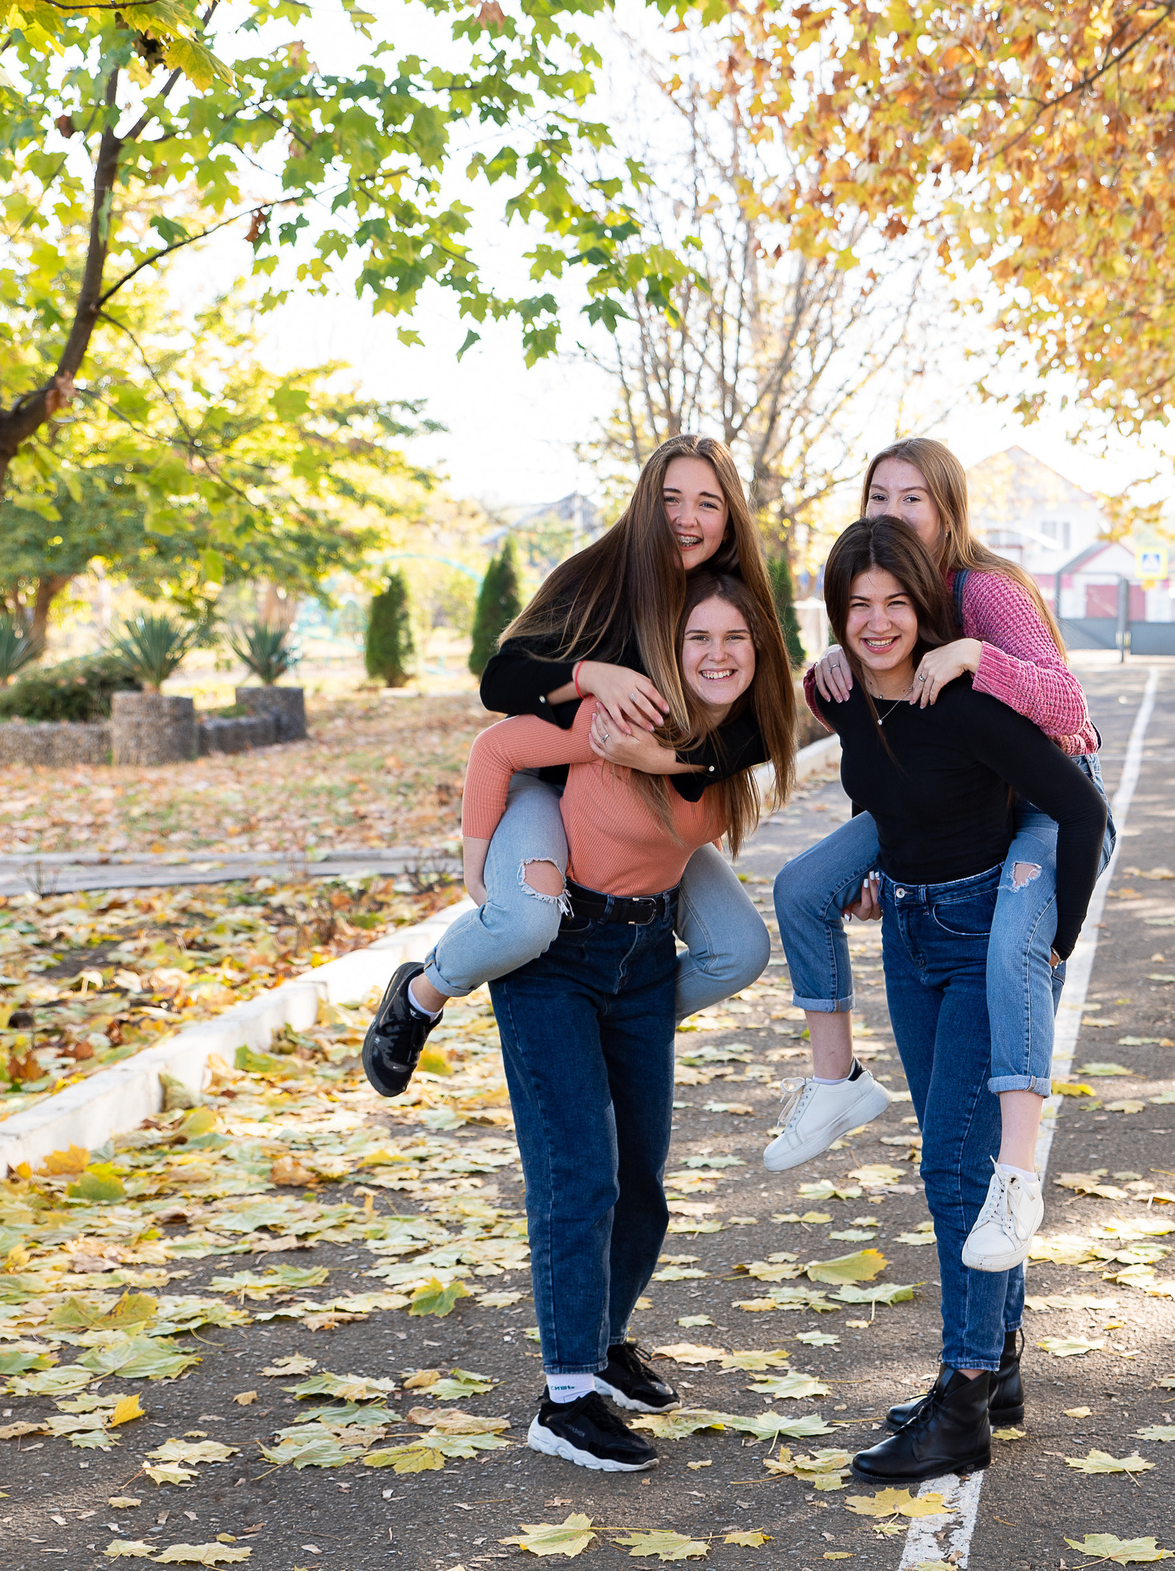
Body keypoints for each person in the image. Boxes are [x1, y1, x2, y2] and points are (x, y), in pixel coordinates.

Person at [442, 571, 799, 1472]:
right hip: (554, 959)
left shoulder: (732, 752)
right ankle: (564, 1398)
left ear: (757, 655)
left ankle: (603, 1346)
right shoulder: (609, 724)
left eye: (735, 641)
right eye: (697, 639)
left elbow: (846, 716)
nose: (717, 655)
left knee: (641, 1180)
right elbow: (494, 744)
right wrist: (482, 874)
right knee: (581, 1176)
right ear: (668, 655)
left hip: (642, 965)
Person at [799, 517, 1108, 1484]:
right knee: (953, 1156)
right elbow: (877, 794)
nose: (879, 622)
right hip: (907, 935)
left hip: (981, 937)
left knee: (953, 1170)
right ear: (839, 618)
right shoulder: (852, 702)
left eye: (897, 603)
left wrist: (1053, 937)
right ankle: (1001, 1363)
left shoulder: (965, 701)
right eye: (860, 607)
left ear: (927, 609)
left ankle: (964, 1396)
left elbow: (1083, 806)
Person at [363, 436, 793, 1098]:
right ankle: (422, 992)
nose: (687, 517)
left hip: (645, 799)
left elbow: (761, 728)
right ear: (645, 504)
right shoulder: (595, 577)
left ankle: (630, 1020)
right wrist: (595, 672)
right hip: (555, 778)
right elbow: (500, 688)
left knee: (740, 945)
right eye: (670, 498)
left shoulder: (724, 603)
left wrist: (656, 756)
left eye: (707, 502)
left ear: (730, 517)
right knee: (528, 919)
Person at [768, 439, 1110, 1270]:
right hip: (952, 801)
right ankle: (835, 1079)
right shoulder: (882, 601)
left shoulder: (977, 590)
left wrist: (973, 655)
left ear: (948, 510)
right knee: (801, 886)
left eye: (911, 498)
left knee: (1009, 953)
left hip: (1046, 804)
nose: (891, 511)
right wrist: (833, 669)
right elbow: (882, 742)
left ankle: (1020, 1176)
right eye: (877, 495)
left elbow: (1068, 704)